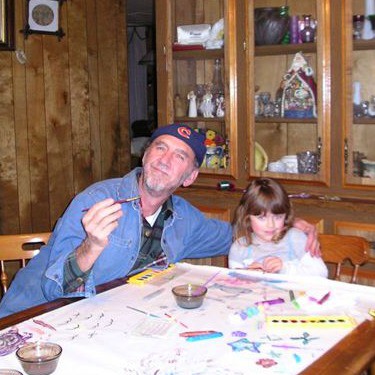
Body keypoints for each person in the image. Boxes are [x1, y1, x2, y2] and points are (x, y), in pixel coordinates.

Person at [0, 124, 320, 318]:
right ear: (145, 154)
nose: (165, 160)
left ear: (190, 176)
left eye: (179, 156)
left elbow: (238, 234)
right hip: (32, 320)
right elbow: (54, 288)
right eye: (160, 147)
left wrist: (288, 224)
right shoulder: (95, 201)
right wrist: (92, 245)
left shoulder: (184, 219)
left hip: (110, 318)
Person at [229, 178, 327, 277]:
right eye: (262, 218)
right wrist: (249, 277)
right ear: (247, 217)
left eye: (278, 217)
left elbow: (321, 273)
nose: (271, 225)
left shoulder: (295, 238)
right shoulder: (239, 248)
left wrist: (284, 269)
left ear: (286, 215)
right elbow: (233, 282)